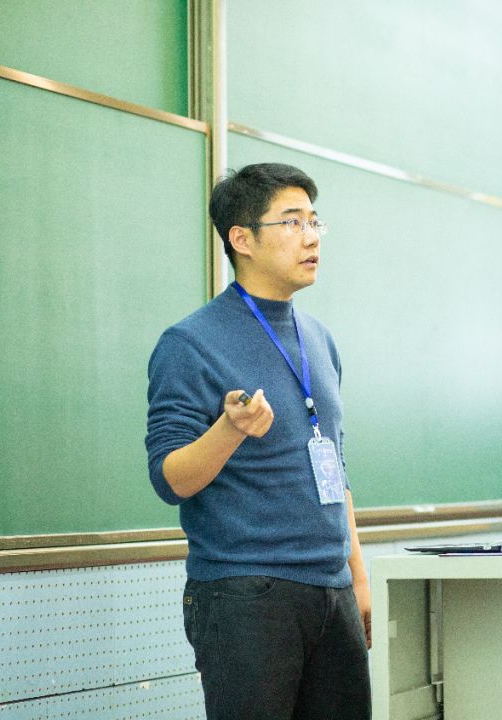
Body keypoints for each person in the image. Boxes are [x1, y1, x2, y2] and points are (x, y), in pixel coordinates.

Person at [145, 163, 371, 719]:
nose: (312, 237)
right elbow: (170, 479)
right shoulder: (190, 343)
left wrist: (358, 577)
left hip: (332, 589)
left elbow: (334, 466)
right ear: (241, 239)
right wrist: (230, 430)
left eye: (314, 221)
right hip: (245, 594)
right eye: (292, 222)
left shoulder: (319, 339)